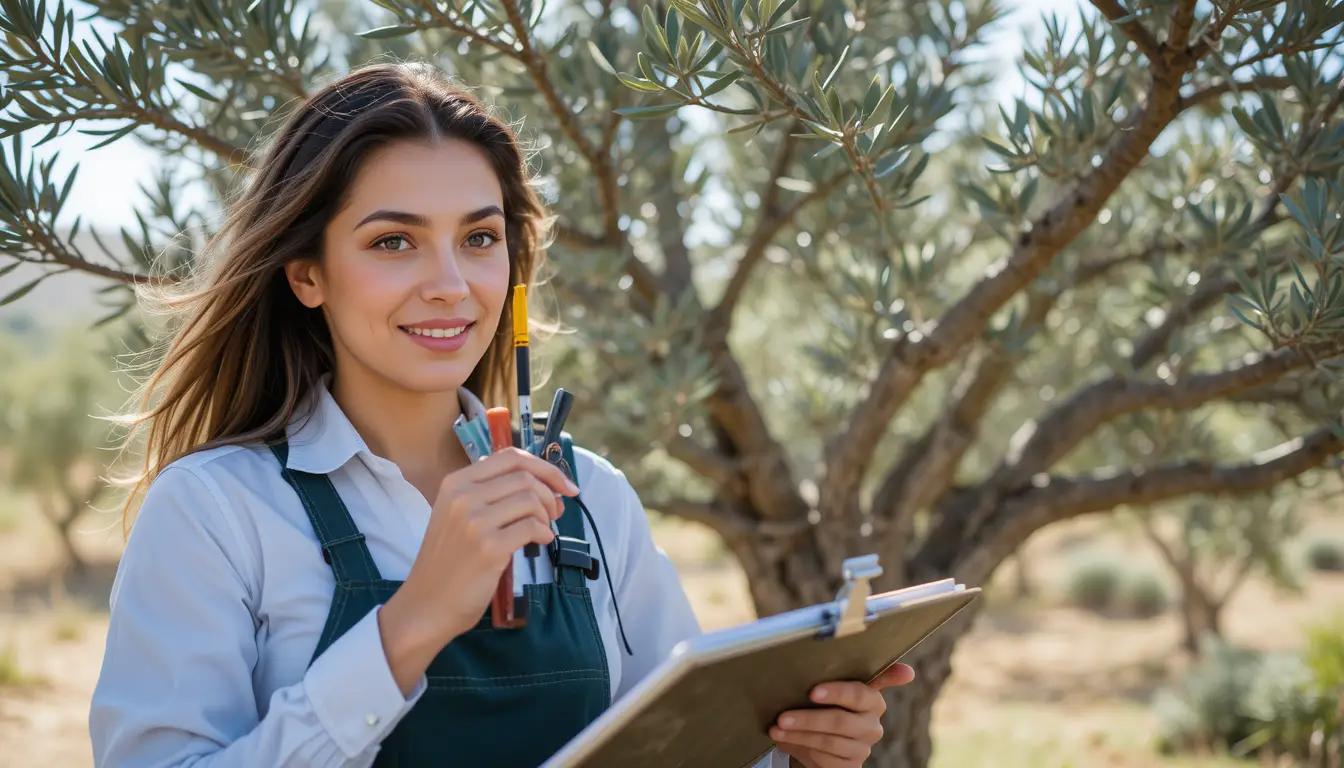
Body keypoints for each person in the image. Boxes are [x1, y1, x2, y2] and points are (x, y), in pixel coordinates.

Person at [88, 60, 915, 767]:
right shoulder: (215, 513)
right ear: (307, 274)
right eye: (393, 241)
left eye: (479, 239)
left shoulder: (589, 497)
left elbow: (677, 749)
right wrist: (411, 625)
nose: (451, 284)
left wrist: (798, 754)